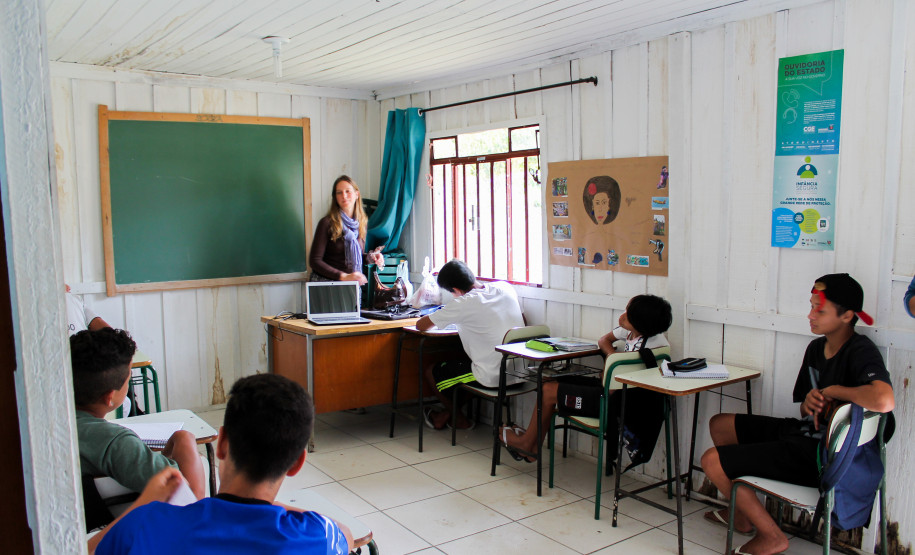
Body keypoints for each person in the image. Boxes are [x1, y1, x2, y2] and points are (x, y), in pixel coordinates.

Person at [700, 273, 894, 555]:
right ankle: (742, 516)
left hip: (821, 455)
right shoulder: (816, 348)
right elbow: (803, 407)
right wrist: (810, 401)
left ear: (847, 315)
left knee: (712, 461)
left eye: (820, 309)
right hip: (803, 433)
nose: (810, 315)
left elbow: (884, 399)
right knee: (720, 425)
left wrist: (837, 390)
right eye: (811, 305)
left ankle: (771, 536)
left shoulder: (860, 351)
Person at [90, 374, 353, 555]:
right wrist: (266, 505)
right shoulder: (315, 538)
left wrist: (143, 501)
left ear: (222, 443)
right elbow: (345, 534)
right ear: (297, 463)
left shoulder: (147, 524)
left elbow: (83, 550)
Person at [501, 294, 672, 462]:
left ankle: (526, 445)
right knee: (547, 382)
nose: (622, 316)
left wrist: (612, 365)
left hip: (613, 403)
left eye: (627, 315)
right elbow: (604, 340)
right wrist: (613, 357)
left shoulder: (647, 347)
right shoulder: (636, 332)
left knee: (548, 390)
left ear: (639, 324)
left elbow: (611, 386)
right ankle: (531, 445)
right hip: (609, 389)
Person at [72, 328, 206, 501]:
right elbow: (191, 497)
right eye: (128, 379)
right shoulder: (115, 442)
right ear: (110, 397)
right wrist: (184, 439)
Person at [416, 259, 525, 430]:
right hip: (522, 371)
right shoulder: (505, 287)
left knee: (432, 371)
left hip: (495, 377)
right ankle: (447, 414)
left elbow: (421, 325)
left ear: (456, 290)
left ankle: (458, 419)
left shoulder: (463, 303)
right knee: (468, 367)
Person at [309, 175, 383, 285]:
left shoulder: (362, 224)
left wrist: (372, 257)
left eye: (348, 191)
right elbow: (315, 261)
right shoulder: (326, 223)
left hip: (350, 285)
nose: (344, 195)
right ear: (335, 197)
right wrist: (344, 276)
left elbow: (357, 255)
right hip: (326, 285)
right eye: (339, 192)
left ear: (356, 194)